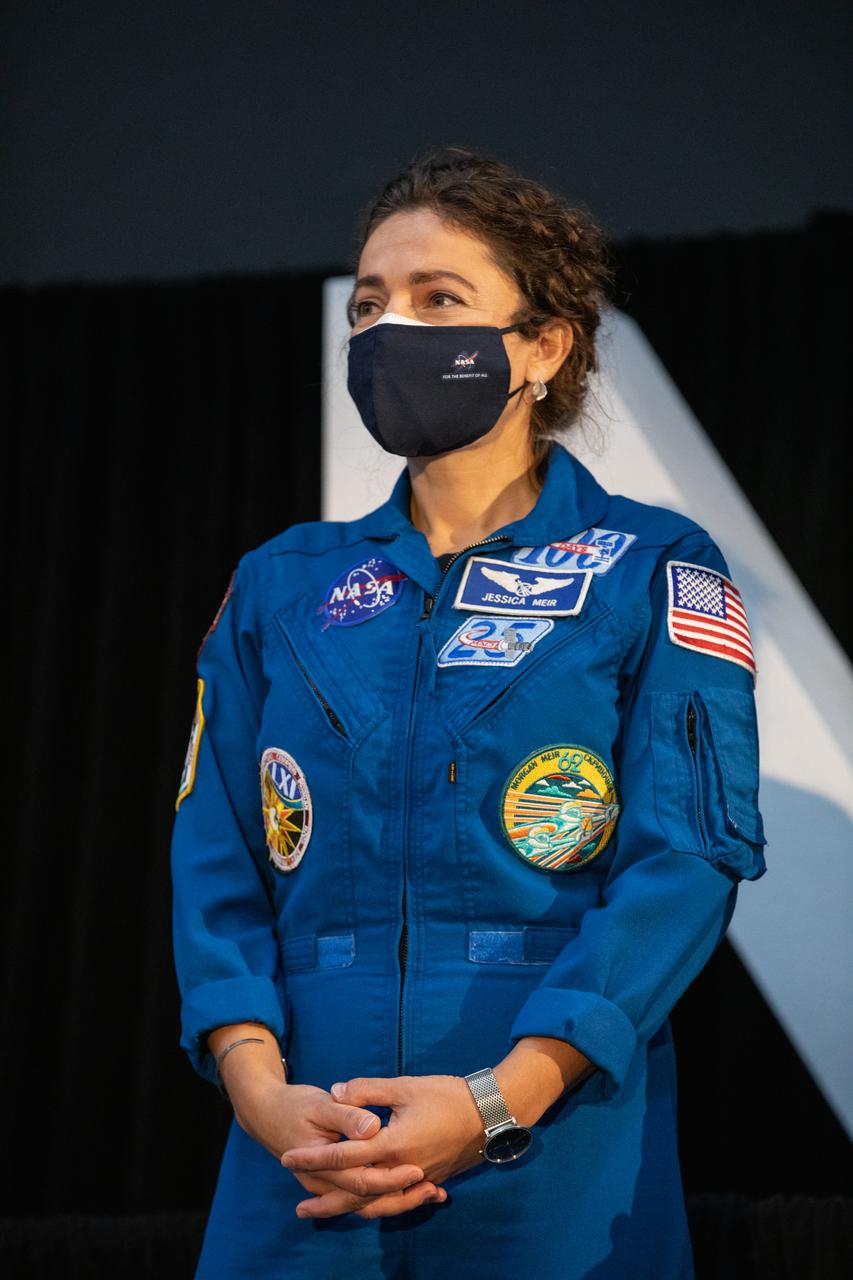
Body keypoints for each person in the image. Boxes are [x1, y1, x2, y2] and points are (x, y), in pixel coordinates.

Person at [170, 146, 767, 1279]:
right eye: (370, 304)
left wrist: (501, 1095)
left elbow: (686, 856)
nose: (393, 328)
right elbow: (215, 854)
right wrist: (257, 1090)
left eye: (439, 299)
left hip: (553, 1130)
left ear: (543, 347)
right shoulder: (279, 584)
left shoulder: (650, 564)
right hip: (304, 1141)